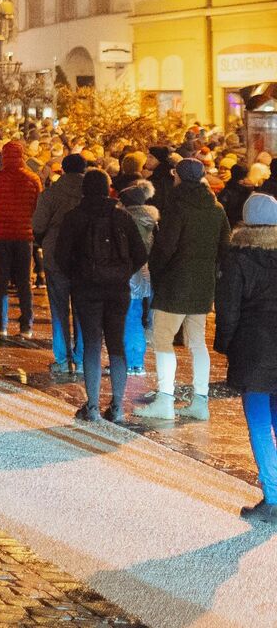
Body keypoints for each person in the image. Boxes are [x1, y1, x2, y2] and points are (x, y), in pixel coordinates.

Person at [139, 157, 229, 422]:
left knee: (163, 338)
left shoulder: (177, 207)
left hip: (175, 282)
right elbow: (225, 247)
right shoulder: (216, 208)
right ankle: (200, 401)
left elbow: (165, 247)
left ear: (179, 176)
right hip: (203, 284)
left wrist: (154, 270)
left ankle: (165, 400)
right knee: (197, 342)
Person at [53, 169, 146, 423]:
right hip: (118, 289)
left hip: (86, 289)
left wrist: (77, 275)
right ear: (108, 189)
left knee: (92, 343)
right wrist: (123, 272)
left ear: (85, 189)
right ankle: (117, 406)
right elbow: (140, 253)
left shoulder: (74, 217)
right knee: (116, 344)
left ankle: (92, 406)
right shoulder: (122, 216)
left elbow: (60, 256)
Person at [216, 192, 277, 524]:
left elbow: (227, 311)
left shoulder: (237, 257)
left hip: (254, 351)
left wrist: (225, 345)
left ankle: (273, 498)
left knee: (258, 423)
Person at [32, 153, 88, 381]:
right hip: (85, 257)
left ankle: (63, 359)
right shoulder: (90, 193)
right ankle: (84, 358)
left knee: (59, 309)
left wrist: (44, 241)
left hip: (56, 256)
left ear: (63, 169)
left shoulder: (52, 194)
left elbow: (38, 224)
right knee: (83, 309)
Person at [0, 141, 42, 338]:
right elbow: (37, 208)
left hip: (0, 235)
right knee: (24, 281)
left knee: (0, 281)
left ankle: (1, 323)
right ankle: (26, 324)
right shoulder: (33, 179)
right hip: (24, 235)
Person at [120, 182, 158, 375]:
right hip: (145, 273)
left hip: (128, 273)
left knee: (128, 317)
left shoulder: (126, 221)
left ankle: (130, 361)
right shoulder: (151, 222)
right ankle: (137, 362)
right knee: (136, 315)